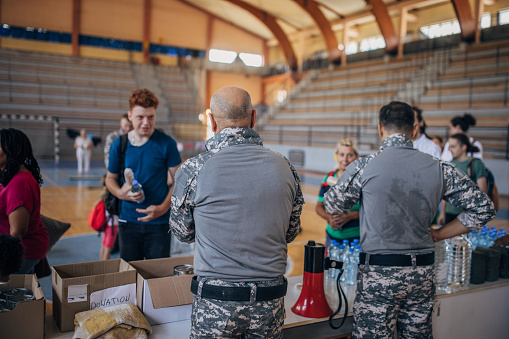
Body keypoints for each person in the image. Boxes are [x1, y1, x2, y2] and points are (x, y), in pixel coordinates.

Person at [323, 101, 495, 338]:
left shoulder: (364, 166)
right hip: (421, 272)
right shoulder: (440, 168)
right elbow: (484, 208)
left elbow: (332, 205)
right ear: (414, 130)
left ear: (380, 129)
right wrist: (438, 233)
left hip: (378, 273)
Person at [170, 86, 303, 338]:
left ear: (211, 121)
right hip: (270, 300)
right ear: (254, 118)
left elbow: (182, 233)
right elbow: (291, 231)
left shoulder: (194, 169)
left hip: (216, 302)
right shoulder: (285, 166)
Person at [106, 88, 181, 262]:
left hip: (159, 224)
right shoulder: (120, 145)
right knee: (131, 276)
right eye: (140, 117)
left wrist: (162, 208)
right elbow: (110, 178)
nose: (146, 122)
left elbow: (180, 182)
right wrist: (119, 193)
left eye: (151, 117)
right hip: (128, 222)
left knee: (158, 278)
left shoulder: (167, 144)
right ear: (130, 116)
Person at [0, 128, 49, 274]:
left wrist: (4, 272)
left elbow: (16, 235)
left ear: (11, 150)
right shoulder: (7, 174)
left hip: (22, 252)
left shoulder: (20, 183)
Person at [315, 138, 360, 248]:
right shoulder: (328, 178)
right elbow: (319, 206)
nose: (345, 159)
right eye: (341, 155)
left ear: (356, 157)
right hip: (332, 238)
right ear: (336, 156)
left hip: (357, 239)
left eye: (349, 155)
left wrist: (351, 215)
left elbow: (372, 211)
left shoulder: (362, 180)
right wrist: (329, 218)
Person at [438, 134, 489, 225]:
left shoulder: (476, 164)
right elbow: (444, 192)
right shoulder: (449, 165)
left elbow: (483, 192)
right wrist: (442, 213)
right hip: (449, 213)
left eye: (453, 146)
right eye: (450, 146)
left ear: (464, 147)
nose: (450, 149)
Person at [95, 176, 119, 260]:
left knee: (104, 246)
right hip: (111, 226)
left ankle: (102, 264)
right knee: (107, 251)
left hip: (106, 225)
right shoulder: (111, 198)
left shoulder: (103, 196)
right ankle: (105, 267)